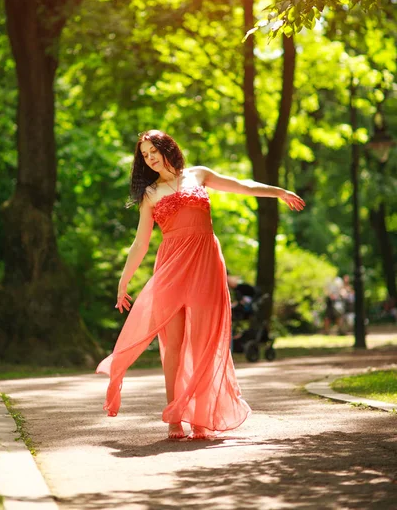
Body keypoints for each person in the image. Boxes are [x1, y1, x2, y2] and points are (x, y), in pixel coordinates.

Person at [96, 130, 305, 440]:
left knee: (204, 340)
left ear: (168, 148)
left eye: (154, 150)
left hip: (206, 264)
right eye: (144, 155)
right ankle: (175, 417)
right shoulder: (150, 194)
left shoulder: (199, 175)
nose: (150, 158)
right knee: (175, 345)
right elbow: (140, 243)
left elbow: (242, 186)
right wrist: (123, 282)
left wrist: (279, 192)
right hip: (171, 267)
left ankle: (200, 416)